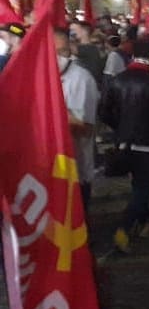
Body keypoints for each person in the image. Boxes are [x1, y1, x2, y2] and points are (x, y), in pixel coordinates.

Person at [99, 39, 149, 252]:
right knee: (143, 188)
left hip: (123, 143)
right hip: (148, 144)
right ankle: (124, 228)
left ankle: (144, 223)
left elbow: (104, 111)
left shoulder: (118, 80)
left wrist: (120, 126)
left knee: (137, 186)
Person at [54, 27, 99, 211]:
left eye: (63, 51)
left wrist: (56, 114)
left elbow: (86, 129)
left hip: (75, 170)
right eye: (54, 52)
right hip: (48, 171)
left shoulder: (81, 79)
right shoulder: (38, 77)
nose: (59, 57)